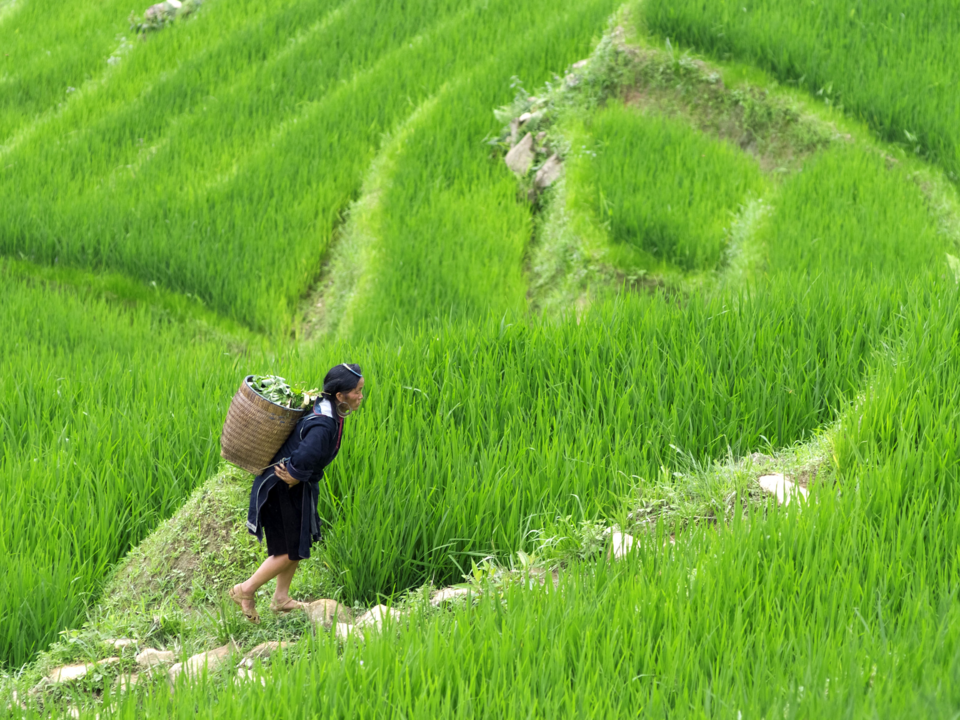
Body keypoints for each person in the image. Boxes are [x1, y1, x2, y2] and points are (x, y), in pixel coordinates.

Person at [229, 363, 364, 623]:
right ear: (340, 395)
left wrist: (297, 475)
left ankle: (281, 599)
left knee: (294, 545)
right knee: (291, 551)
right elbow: (306, 454)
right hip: (283, 487)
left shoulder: (322, 404)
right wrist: (295, 473)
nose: (360, 396)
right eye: (357, 391)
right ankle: (244, 591)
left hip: (288, 486)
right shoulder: (325, 423)